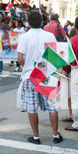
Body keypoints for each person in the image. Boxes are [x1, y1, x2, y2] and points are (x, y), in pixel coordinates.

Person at [17, 11, 63, 145]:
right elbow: (55, 56)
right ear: (41, 22)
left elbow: (20, 59)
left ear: (28, 22)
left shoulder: (24, 37)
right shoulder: (49, 36)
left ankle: (36, 137)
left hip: (30, 75)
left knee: (32, 107)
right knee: (52, 107)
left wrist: (26, 64)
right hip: (46, 74)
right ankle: (55, 134)